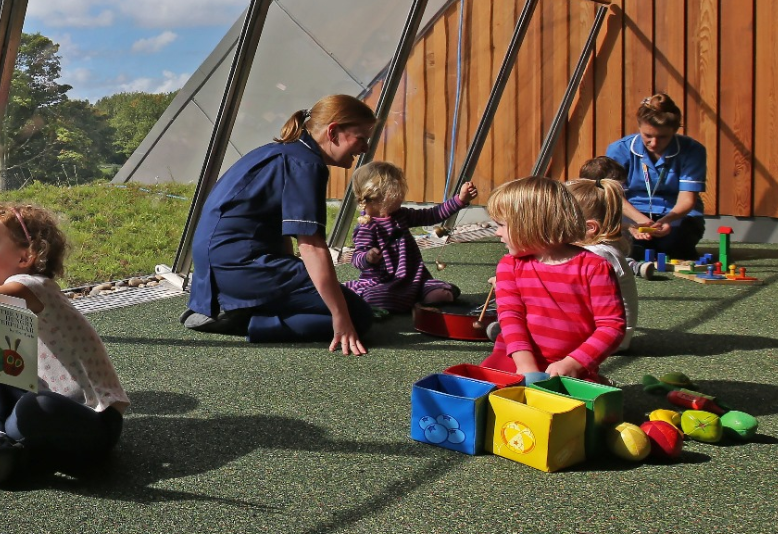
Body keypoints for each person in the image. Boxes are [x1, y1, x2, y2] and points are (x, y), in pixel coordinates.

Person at [181, 94, 376, 353]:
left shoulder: (279, 152)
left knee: (331, 300)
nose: (364, 148)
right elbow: (312, 247)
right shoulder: (306, 164)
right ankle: (248, 321)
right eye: (361, 138)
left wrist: (295, 281)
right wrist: (340, 317)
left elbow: (277, 227)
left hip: (216, 270)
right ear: (333, 132)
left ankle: (236, 306)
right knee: (358, 316)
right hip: (242, 267)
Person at [0, 202, 129, 486]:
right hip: (47, 414)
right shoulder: (15, 300)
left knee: (34, 407)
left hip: (94, 423)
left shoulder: (32, 286)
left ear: (26, 256)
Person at [479, 177, 625, 383]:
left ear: (531, 224)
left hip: (566, 366)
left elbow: (611, 326)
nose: (497, 232)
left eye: (502, 225)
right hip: (516, 359)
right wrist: (526, 367)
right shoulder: (509, 265)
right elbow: (511, 318)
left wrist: (574, 363)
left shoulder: (595, 267)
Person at [342, 161, 478, 311]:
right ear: (378, 197)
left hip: (415, 279)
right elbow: (357, 258)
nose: (401, 199)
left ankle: (413, 299)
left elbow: (431, 215)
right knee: (379, 298)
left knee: (441, 294)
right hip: (384, 282)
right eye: (397, 196)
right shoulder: (367, 226)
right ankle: (406, 301)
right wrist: (368, 257)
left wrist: (460, 200)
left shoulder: (402, 215)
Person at [604, 94, 707, 261]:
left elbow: (687, 199)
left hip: (675, 215)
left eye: (662, 137)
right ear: (639, 127)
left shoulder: (693, 150)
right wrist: (637, 223)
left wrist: (668, 220)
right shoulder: (619, 149)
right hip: (632, 212)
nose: (653, 143)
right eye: (647, 136)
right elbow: (613, 195)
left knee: (674, 245)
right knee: (624, 243)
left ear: (675, 131)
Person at [566, 178, 638, 352]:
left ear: (590, 228)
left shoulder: (597, 254)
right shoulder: (598, 248)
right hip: (604, 333)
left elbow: (567, 295)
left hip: (606, 338)